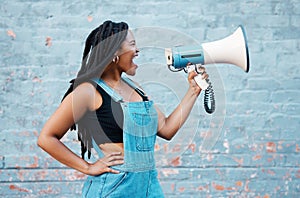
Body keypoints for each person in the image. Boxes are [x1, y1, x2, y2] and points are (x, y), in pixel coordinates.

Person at [37, 20, 208, 197]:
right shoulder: (87, 91)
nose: (137, 50)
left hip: (149, 185)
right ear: (114, 53)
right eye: (132, 44)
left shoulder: (135, 88)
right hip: (115, 187)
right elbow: (46, 138)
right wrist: (88, 167)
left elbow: (166, 129)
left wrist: (193, 90)